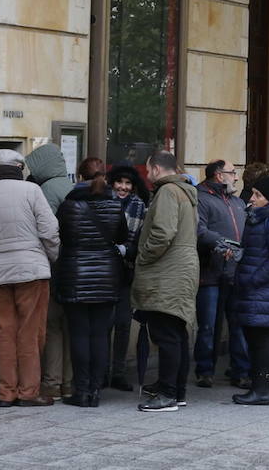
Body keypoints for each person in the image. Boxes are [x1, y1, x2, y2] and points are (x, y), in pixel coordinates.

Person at [0, 150, 60, 407]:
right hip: (32, 271)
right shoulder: (31, 191)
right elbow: (50, 230)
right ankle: (28, 392)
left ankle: (6, 393)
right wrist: (49, 257)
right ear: (19, 167)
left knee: (4, 332)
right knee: (30, 332)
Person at [54, 158, 128, 407]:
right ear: (105, 176)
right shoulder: (115, 205)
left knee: (79, 334)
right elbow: (122, 237)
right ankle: (96, 390)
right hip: (107, 276)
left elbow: (61, 237)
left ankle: (82, 390)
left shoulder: (68, 206)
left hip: (75, 274)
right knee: (99, 334)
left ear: (78, 176)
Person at [133, 151, 199, 412]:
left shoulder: (168, 193)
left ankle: (167, 394)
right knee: (176, 334)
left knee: (166, 334)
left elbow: (162, 233)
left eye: (148, 170)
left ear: (158, 169)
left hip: (166, 273)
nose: (147, 176)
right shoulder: (184, 191)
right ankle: (176, 391)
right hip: (179, 271)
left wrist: (143, 254)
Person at [231, 175, 269, 405]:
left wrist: (253, 280)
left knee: (261, 340)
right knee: (255, 339)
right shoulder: (257, 218)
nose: (252, 198)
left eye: (258, 195)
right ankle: (258, 388)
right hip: (253, 288)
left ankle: (261, 390)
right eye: (253, 193)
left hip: (262, 290)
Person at [24, 143, 74, 402]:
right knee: (68, 325)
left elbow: (45, 231)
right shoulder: (70, 186)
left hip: (55, 264)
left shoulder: (44, 190)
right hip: (74, 266)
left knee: (53, 324)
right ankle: (68, 382)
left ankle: (52, 383)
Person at [194, 160, 249, 390]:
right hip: (211, 272)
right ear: (219, 176)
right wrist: (223, 243)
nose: (236, 177)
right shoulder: (201, 199)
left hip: (235, 272)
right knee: (208, 325)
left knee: (238, 324)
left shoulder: (237, 201)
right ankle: (205, 370)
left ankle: (240, 371)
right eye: (232, 173)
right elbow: (199, 230)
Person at [106, 164, 148, 392]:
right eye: (119, 182)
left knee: (123, 324)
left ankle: (119, 372)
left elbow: (142, 241)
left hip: (126, 271)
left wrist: (125, 250)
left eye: (128, 183)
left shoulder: (140, 207)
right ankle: (102, 371)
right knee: (105, 324)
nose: (123, 187)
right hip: (103, 271)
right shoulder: (104, 202)